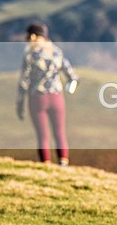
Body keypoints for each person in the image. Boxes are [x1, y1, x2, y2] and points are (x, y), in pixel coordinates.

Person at [16, 22, 78, 166]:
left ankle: (46, 164)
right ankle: (63, 161)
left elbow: (24, 81)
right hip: (57, 97)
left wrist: (20, 103)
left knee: (43, 135)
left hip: (37, 98)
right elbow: (72, 76)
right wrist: (70, 88)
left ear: (32, 36)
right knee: (59, 131)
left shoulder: (30, 54)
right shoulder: (56, 52)